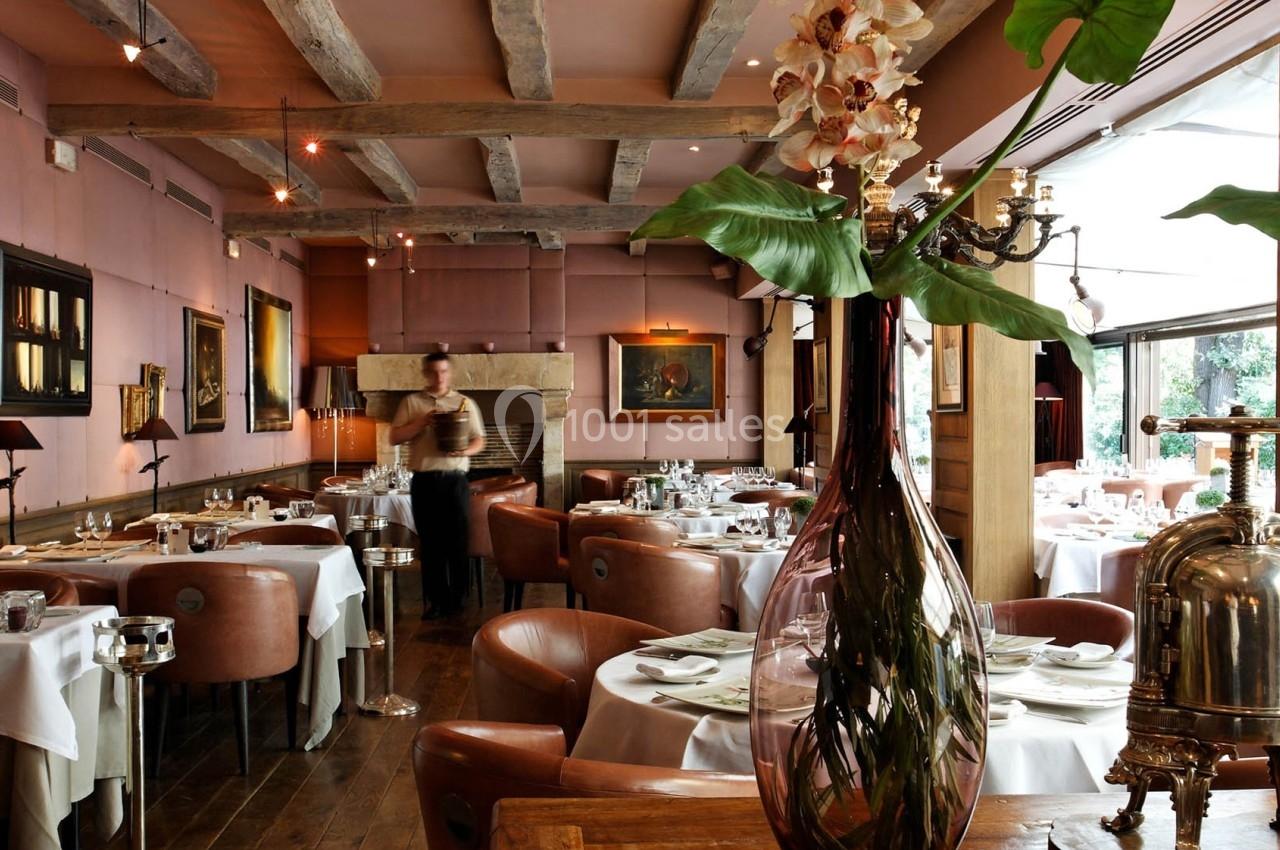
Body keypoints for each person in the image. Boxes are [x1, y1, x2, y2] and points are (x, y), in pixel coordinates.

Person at [389, 353, 485, 618]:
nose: (439, 377)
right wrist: (422, 421)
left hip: (455, 481)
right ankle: (435, 601)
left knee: (458, 541)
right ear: (425, 374)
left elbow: (480, 439)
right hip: (424, 481)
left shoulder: (464, 403)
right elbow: (394, 437)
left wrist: (464, 450)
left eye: (443, 371)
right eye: (433, 372)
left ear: (449, 373)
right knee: (430, 544)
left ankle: (458, 600)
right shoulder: (411, 402)